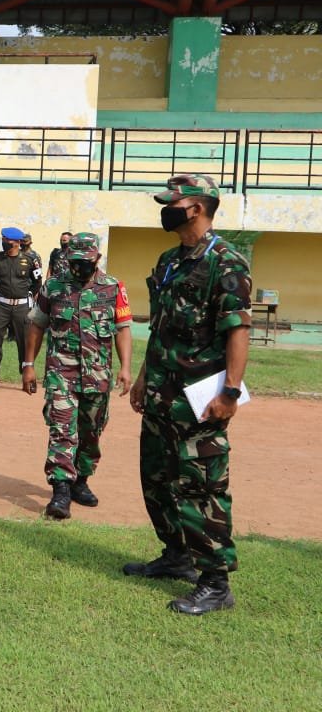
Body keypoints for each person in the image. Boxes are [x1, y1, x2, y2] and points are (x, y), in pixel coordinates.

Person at [126, 174, 251, 615]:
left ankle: (216, 581)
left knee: (202, 486)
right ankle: (176, 555)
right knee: (157, 478)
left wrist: (231, 392)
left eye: (173, 203)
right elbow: (159, 326)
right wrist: (142, 377)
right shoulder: (168, 261)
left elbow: (238, 329)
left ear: (196, 207)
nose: (166, 209)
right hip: (161, 392)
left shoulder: (226, 262)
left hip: (199, 397)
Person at [23, 232, 132, 520]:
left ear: (97, 258)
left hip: (97, 375)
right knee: (61, 429)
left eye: (86, 261)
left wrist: (125, 368)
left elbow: (122, 329)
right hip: (62, 371)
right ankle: (60, 490)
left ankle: (80, 481)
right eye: (75, 261)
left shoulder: (113, 288)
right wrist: (28, 364)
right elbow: (36, 326)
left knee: (91, 432)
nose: (80, 267)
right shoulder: (54, 287)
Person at [0, 226, 39, 393]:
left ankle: (27, 377)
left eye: (8, 241)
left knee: (26, 343)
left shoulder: (29, 260)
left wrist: (30, 295)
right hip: (1, 305)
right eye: (4, 240)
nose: (4, 243)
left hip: (22, 307)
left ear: (17, 243)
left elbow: (37, 281)